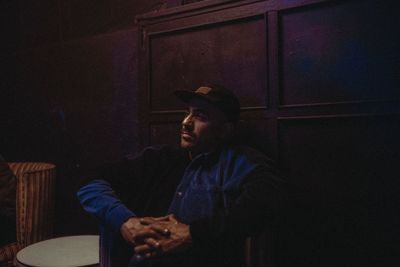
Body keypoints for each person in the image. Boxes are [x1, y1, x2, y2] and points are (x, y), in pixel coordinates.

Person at [77, 85, 285, 267]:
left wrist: (192, 234)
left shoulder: (240, 162)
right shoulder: (159, 159)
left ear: (224, 130)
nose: (186, 122)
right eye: (188, 112)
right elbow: (89, 180)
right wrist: (124, 221)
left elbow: (265, 204)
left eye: (200, 116)